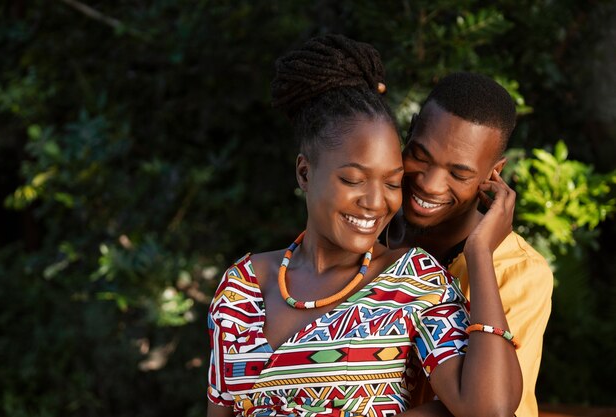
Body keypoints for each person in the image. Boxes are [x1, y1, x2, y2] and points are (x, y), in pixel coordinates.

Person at [207, 35, 521, 417]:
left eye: (392, 183)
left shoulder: (414, 282)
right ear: (305, 173)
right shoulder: (241, 288)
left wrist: (480, 252)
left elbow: (490, 411)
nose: (376, 202)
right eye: (354, 180)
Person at [386, 72, 554, 417]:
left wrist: (479, 254)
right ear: (411, 129)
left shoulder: (520, 272)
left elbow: (491, 408)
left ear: (494, 174)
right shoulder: (371, 231)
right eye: (420, 155)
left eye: (459, 174)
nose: (430, 185)